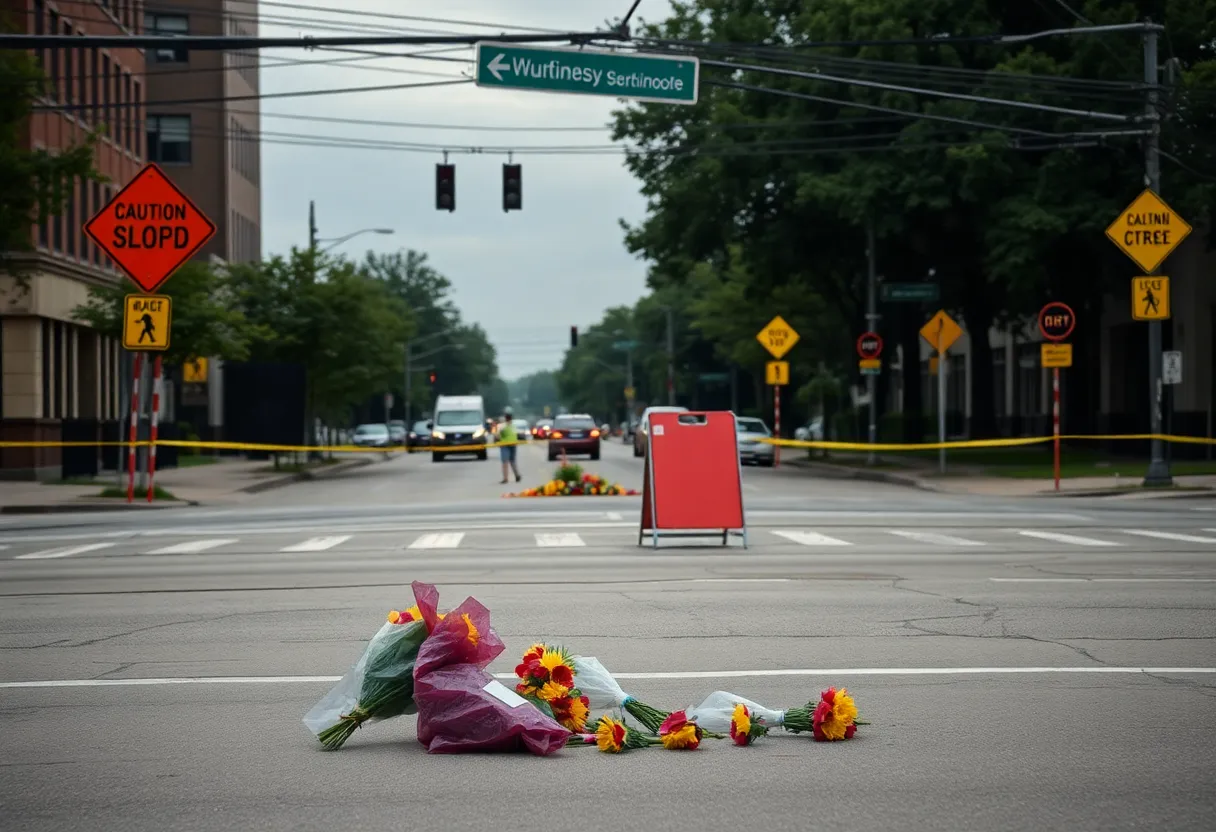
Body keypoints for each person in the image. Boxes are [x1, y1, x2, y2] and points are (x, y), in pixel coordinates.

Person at [497, 407, 521, 484]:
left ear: (505, 416)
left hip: (505, 445)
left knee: (505, 462)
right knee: (512, 461)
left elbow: (497, 436)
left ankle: (505, 478)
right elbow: (517, 434)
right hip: (513, 444)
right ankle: (517, 475)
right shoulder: (514, 425)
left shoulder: (501, 426)